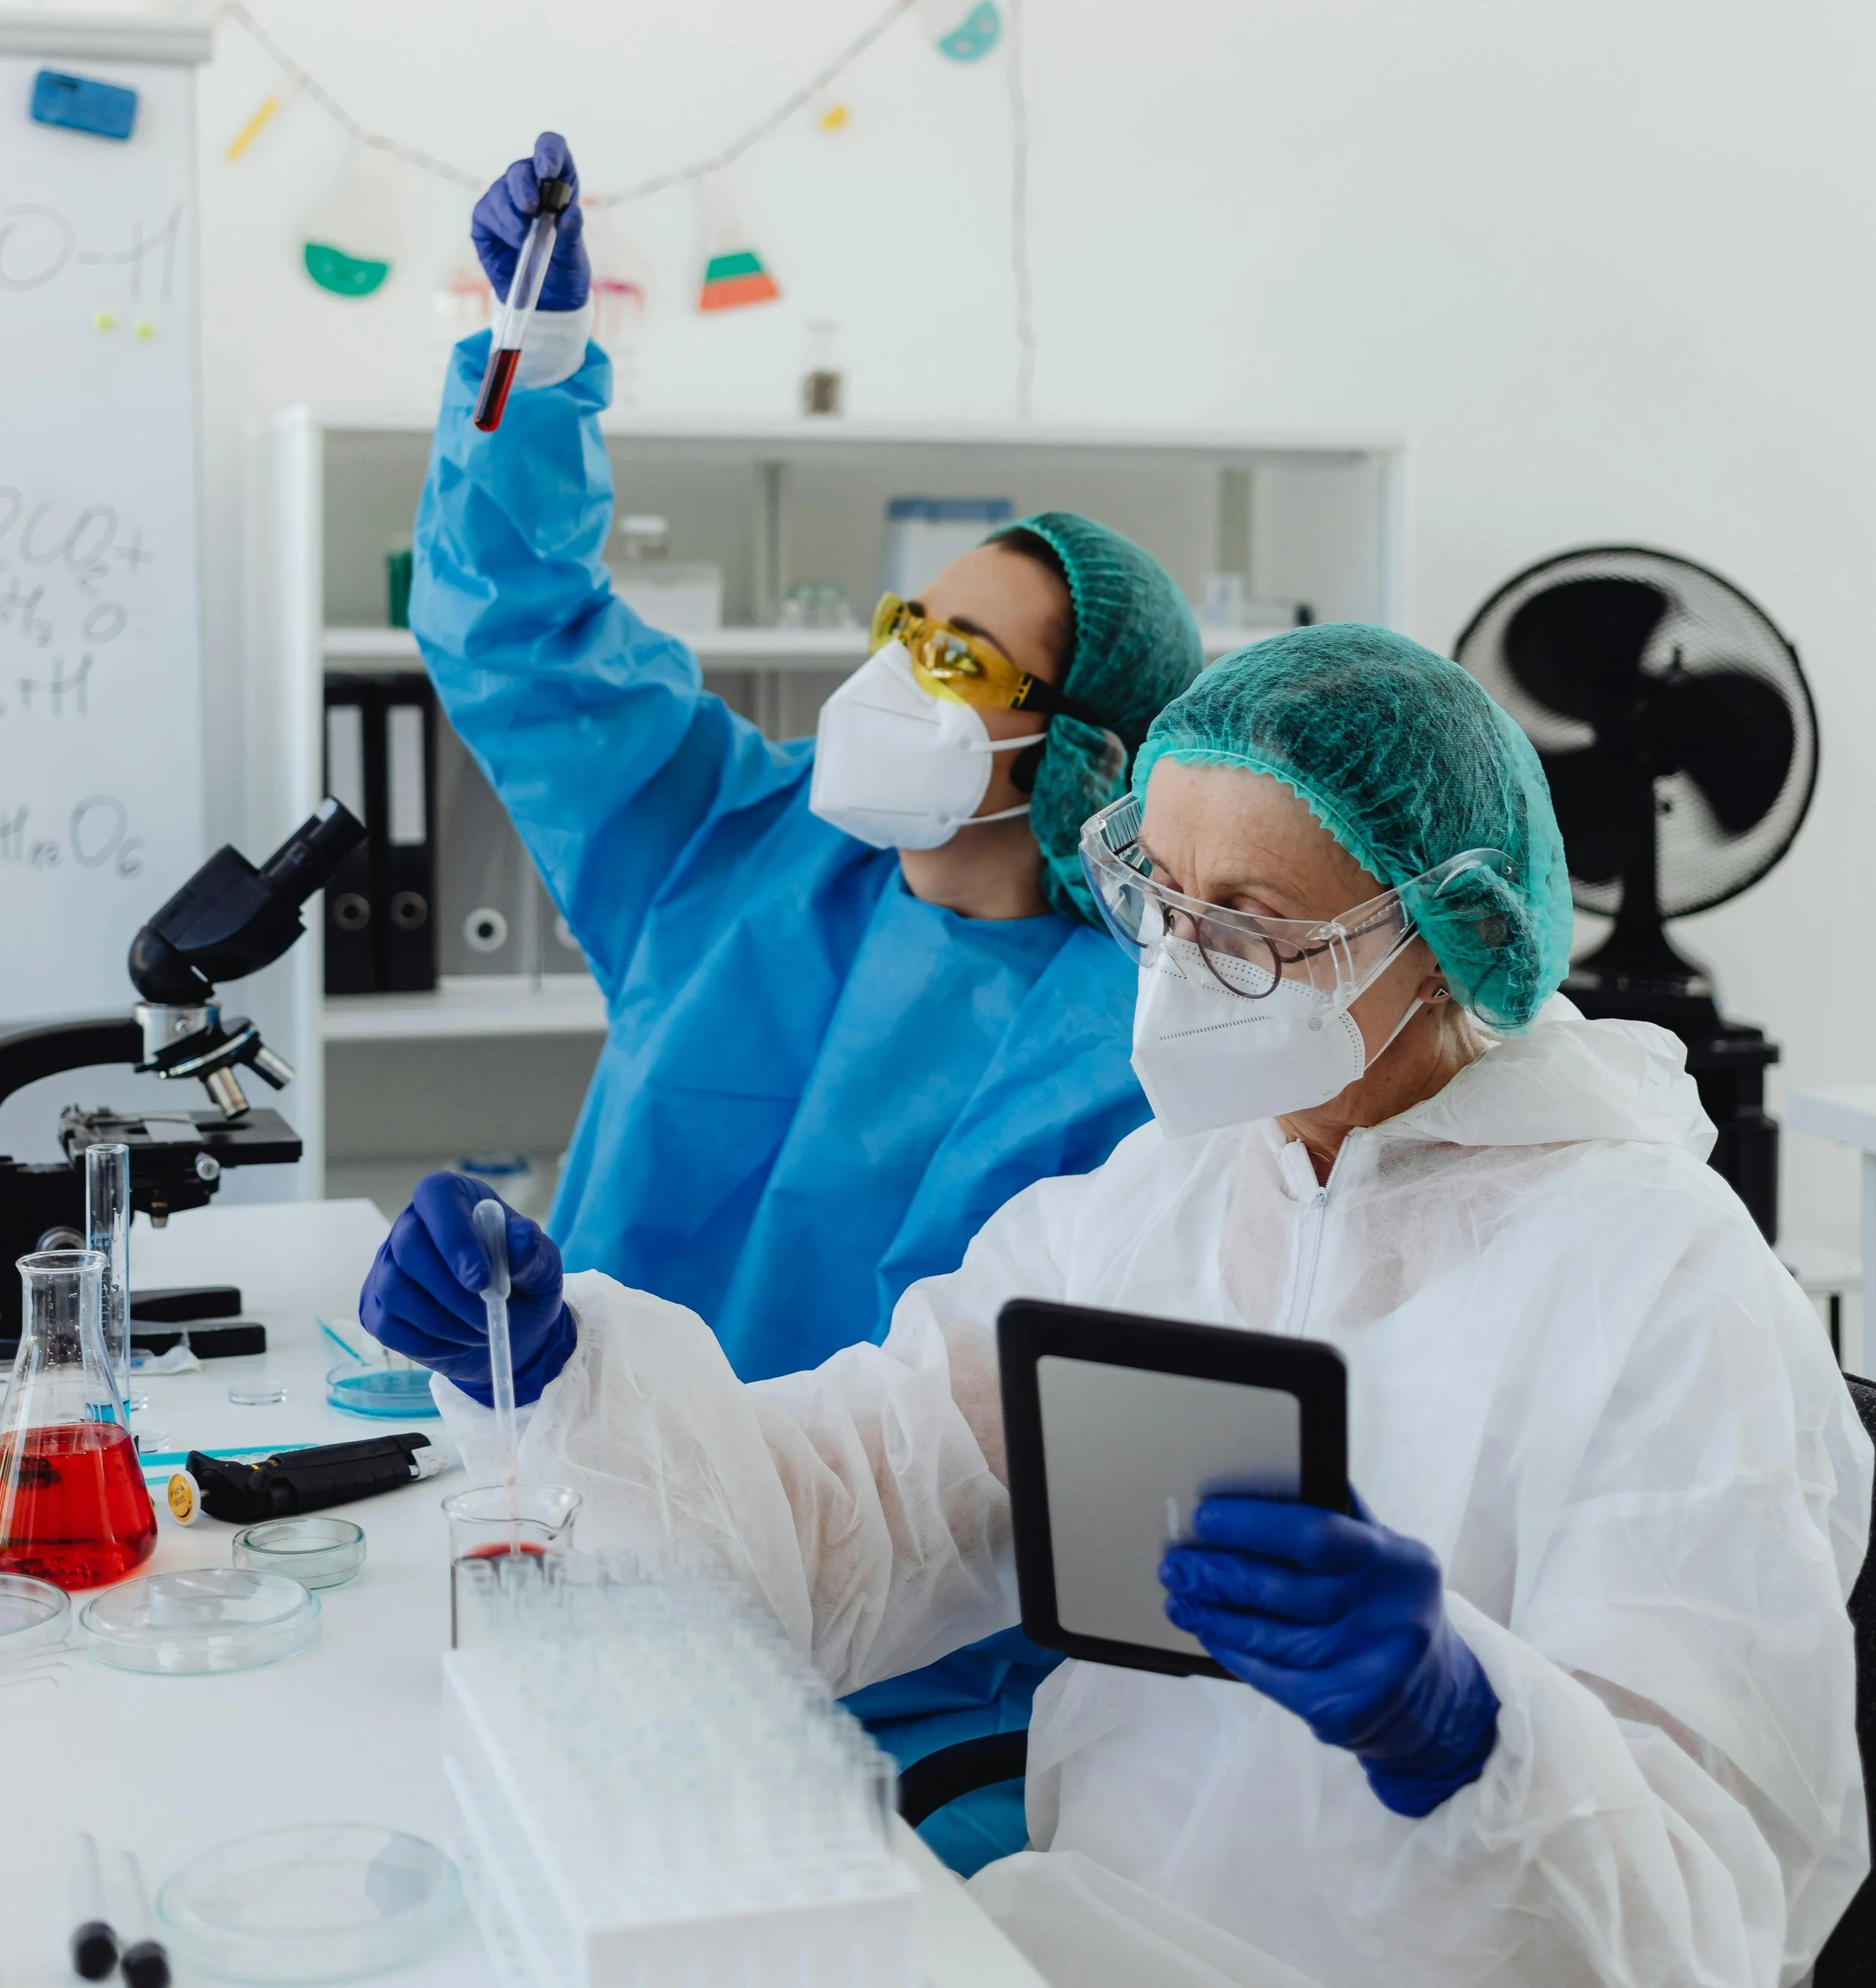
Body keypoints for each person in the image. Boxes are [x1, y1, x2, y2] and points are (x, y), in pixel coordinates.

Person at [366, 624, 1869, 1986]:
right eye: (1157, 894)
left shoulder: (1662, 1281)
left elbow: (1707, 1902)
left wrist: (1467, 1729)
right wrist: (564, 1367)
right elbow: (851, 1505)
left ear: (1440, 933)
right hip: (1090, 1933)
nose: (1180, 963)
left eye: (1250, 921)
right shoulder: (1164, 1196)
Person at [405, 131, 1204, 1863]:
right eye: (907, 627)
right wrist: (527, 363)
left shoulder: (1131, 1039)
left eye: (961, 662)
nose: (897, 675)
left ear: (1077, 752)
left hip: (900, 1686)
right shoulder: (740, 845)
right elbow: (519, 636)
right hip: (582, 1545)